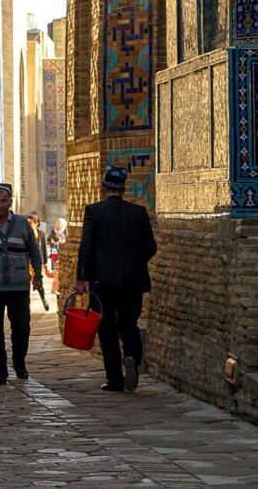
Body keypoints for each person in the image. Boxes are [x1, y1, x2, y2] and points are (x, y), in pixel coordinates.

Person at [76, 166, 157, 393]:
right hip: (133, 281)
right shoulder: (138, 212)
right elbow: (150, 246)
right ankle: (131, 355)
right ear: (123, 189)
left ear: (103, 187)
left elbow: (87, 246)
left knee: (106, 328)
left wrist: (82, 276)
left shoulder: (94, 211)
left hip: (103, 282)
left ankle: (115, 379)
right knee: (128, 323)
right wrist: (134, 264)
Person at [0, 183, 43, 386]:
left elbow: (34, 252)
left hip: (18, 285)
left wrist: (38, 276)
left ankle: (19, 362)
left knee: (21, 327)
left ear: (10, 202)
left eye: (4, 201)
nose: (0, 205)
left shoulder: (22, 225)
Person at [27, 212, 50, 312]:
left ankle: (43, 299)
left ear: (36, 223)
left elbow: (43, 249)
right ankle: (27, 306)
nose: (30, 224)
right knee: (26, 284)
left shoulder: (41, 234)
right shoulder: (26, 233)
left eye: (31, 222)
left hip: (37, 262)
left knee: (39, 284)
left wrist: (45, 263)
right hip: (27, 263)